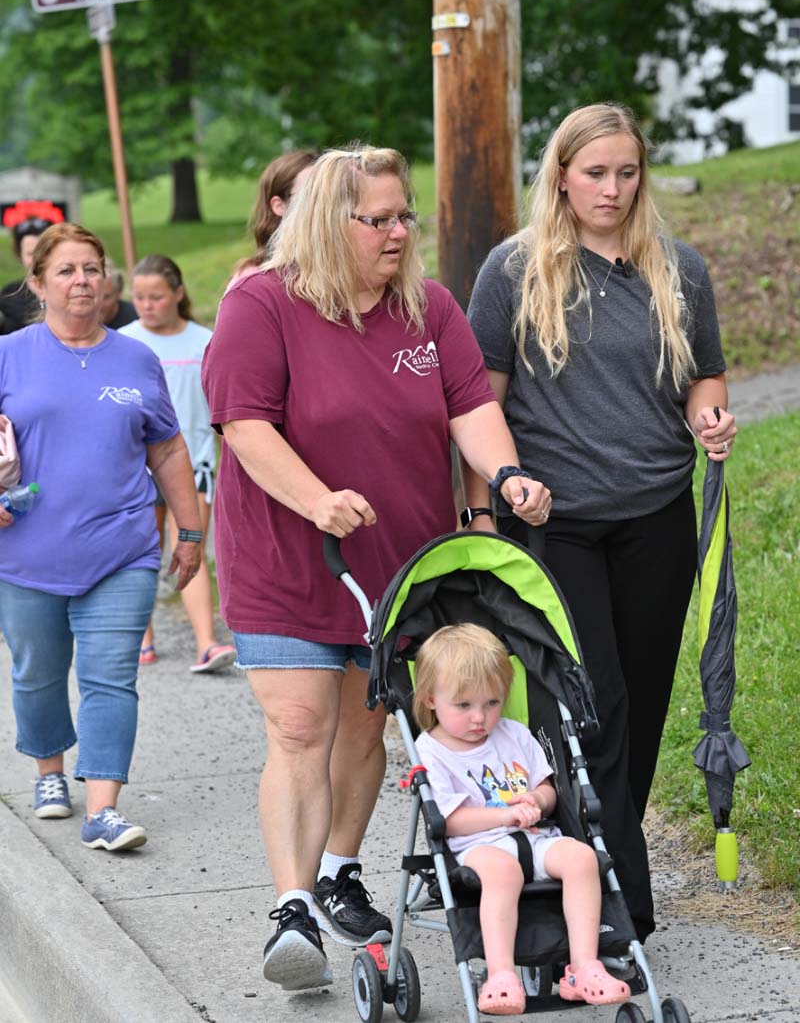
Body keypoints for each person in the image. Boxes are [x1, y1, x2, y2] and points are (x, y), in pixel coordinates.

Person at [201, 144, 552, 992]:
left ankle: (338, 869)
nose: (399, 232)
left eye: (406, 216)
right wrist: (317, 499)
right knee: (299, 730)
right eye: (380, 219)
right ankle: (291, 908)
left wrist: (506, 481)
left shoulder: (427, 309)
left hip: (397, 565)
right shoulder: (262, 304)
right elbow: (243, 425)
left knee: (366, 728)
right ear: (330, 220)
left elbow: (472, 406)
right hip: (289, 559)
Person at [463, 102, 738, 943]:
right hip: (556, 524)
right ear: (561, 175)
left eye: (626, 173)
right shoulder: (514, 271)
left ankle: (591, 859)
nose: (612, 189)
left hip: (656, 512)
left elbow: (705, 379)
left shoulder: (678, 270)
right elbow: (481, 403)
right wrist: (497, 495)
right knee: (591, 705)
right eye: (595, 173)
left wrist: (712, 418)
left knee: (644, 702)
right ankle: (622, 904)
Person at [0, 223, 202, 851]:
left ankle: (103, 806)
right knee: (37, 673)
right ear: (38, 284)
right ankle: (49, 770)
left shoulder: (136, 356)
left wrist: (190, 529)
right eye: (66, 270)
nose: (83, 280)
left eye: (92, 268)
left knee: (110, 675)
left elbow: (168, 448)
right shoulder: (11, 353)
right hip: (26, 553)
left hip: (122, 551)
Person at [413, 623, 631, 1014]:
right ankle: (501, 973)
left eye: (492, 703)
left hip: (535, 837)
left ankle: (583, 965)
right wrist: (504, 815)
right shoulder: (431, 750)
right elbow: (451, 822)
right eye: (463, 706)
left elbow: (548, 792)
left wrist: (535, 800)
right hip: (478, 846)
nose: (480, 717)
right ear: (430, 699)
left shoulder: (514, 735)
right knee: (503, 873)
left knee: (583, 858)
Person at [121, 254, 235, 674]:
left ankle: (206, 642)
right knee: (140, 551)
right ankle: (141, 638)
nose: (147, 305)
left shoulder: (205, 341)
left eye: (156, 296)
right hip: (136, 466)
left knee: (189, 547)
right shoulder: (123, 342)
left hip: (195, 462)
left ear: (178, 293)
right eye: (139, 297)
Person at [226, 148, 316, 289]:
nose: (323, 203)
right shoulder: (252, 282)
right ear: (279, 206)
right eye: (309, 194)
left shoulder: (344, 268)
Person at [0, 216, 54, 334]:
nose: (37, 259)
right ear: (20, 256)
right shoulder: (9, 294)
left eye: (43, 251)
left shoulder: (69, 288)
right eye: (30, 254)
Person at [99, 261, 137, 329]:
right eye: (91, 296)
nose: (98, 304)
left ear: (119, 292)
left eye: (106, 297)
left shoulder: (136, 319)